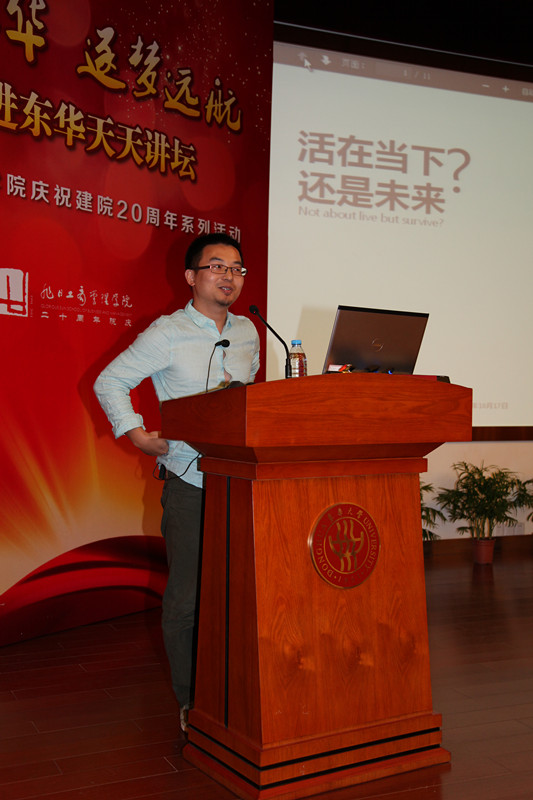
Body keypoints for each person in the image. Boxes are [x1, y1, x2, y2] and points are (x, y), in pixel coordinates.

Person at [94, 232, 260, 734]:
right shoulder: (167, 332)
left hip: (241, 481)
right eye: (217, 266)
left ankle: (233, 687)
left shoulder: (248, 331)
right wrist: (138, 435)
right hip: (191, 480)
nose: (229, 276)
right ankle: (192, 701)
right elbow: (110, 381)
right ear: (191, 276)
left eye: (237, 268)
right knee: (186, 600)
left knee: (238, 593)